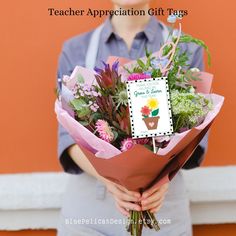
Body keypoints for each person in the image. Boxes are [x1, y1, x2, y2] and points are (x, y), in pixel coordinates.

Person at [57, 0, 208, 235]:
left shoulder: (186, 50)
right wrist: (111, 181)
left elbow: (194, 134)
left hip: (162, 208)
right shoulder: (75, 49)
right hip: (90, 214)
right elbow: (68, 138)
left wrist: (162, 179)